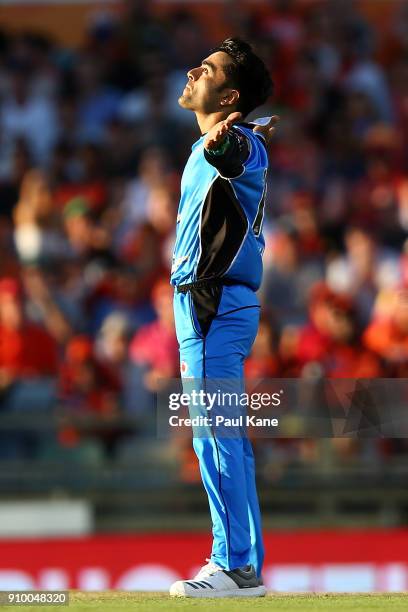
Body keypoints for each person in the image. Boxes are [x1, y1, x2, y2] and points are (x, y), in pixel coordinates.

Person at [169, 38, 278, 598]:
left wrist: (229, 143)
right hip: (203, 304)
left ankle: (235, 566)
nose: (193, 71)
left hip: (213, 303)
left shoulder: (236, 145)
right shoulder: (215, 144)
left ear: (229, 95)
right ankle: (238, 563)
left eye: (206, 69)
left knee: (217, 436)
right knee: (215, 436)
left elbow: (232, 158)